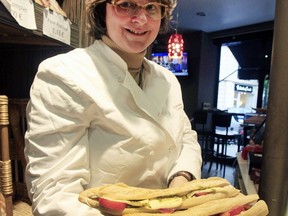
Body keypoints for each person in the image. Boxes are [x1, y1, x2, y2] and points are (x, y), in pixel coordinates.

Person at [24, 0, 202, 215]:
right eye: (126, 4)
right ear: (102, 10)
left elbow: (185, 137)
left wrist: (181, 178)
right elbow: (54, 195)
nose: (141, 19)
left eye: (152, 7)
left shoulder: (168, 79)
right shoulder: (63, 75)